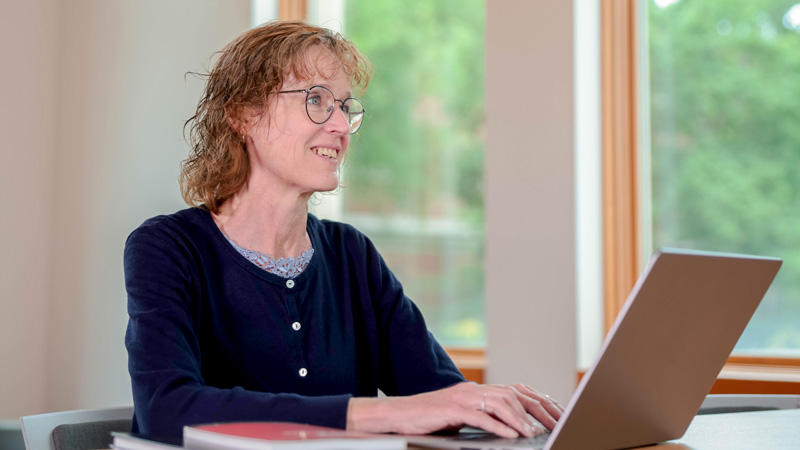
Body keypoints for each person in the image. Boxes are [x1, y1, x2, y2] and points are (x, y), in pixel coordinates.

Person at [124, 20, 563, 443]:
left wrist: (489, 406)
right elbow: (167, 410)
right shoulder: (168, 248)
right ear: (244, 114)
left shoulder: (352, 253)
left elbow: (438, 397)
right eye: (316, 100)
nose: (339, 125)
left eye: (344, 106)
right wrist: (379, 413)